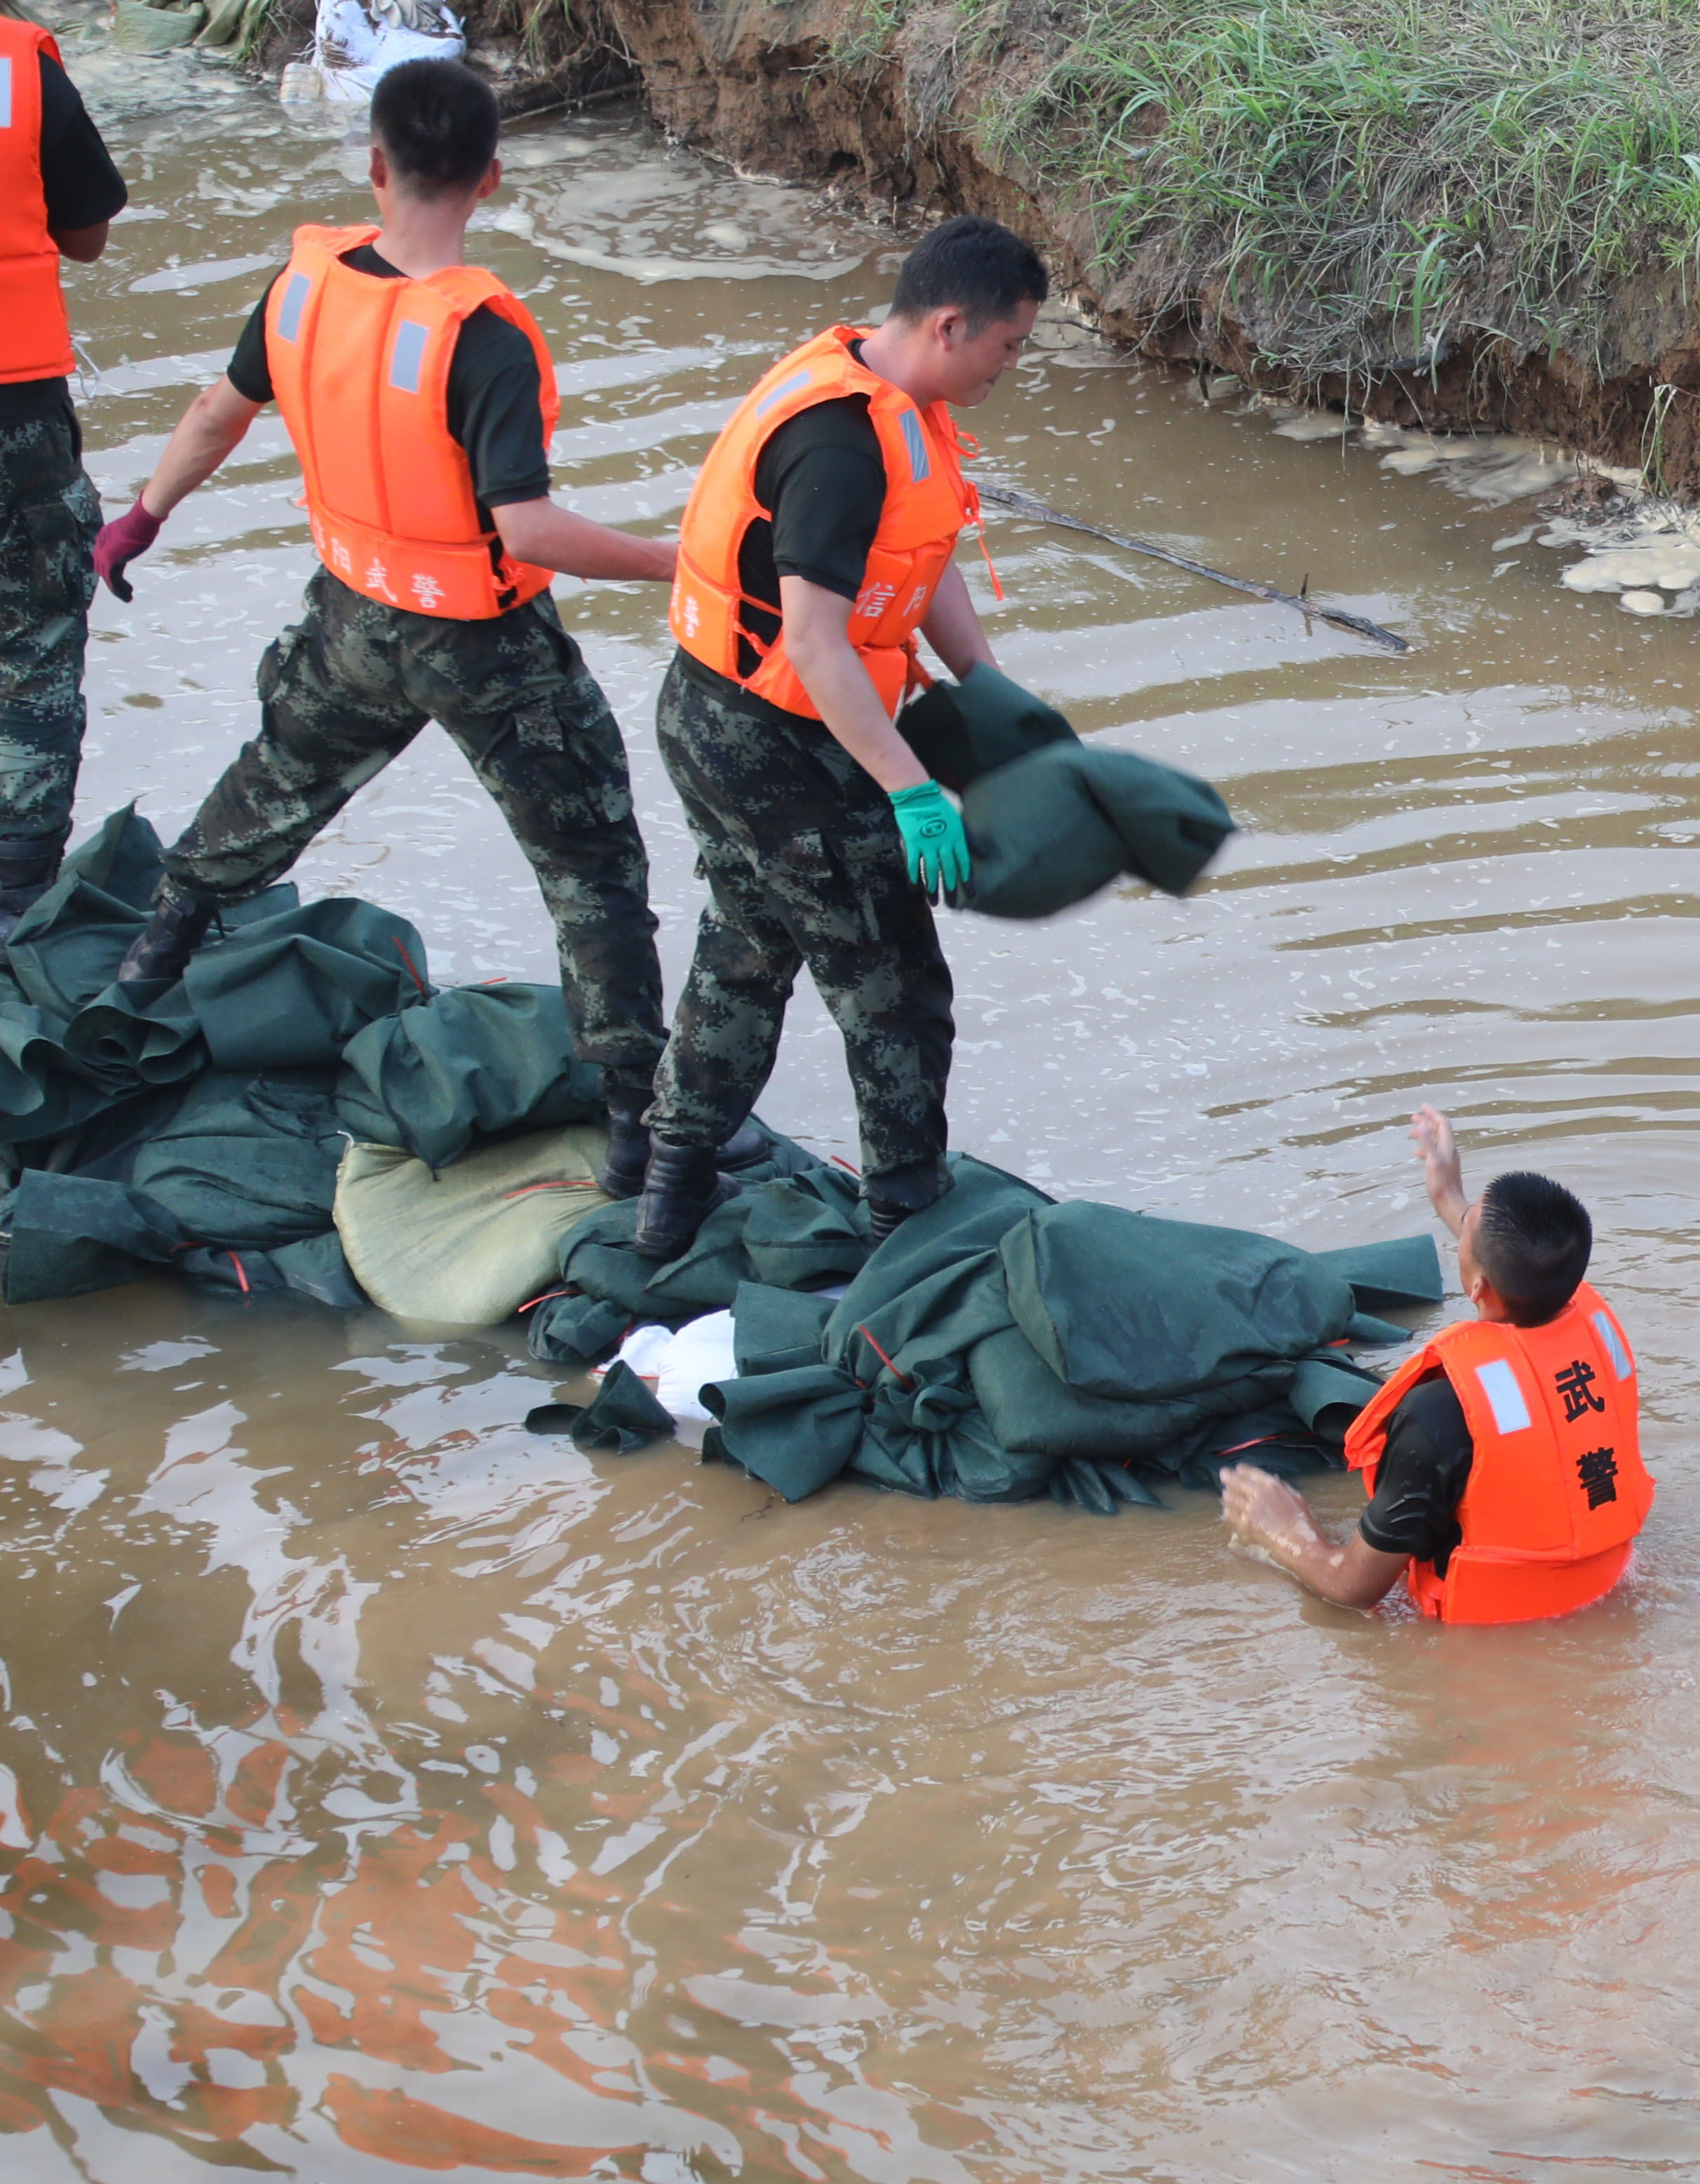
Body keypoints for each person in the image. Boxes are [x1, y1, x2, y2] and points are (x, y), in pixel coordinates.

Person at [86, 60, 673, 1168]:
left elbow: (219, 412)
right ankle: (640, 1117)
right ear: (491, 179)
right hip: (486, 647)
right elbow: (531, 534)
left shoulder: (303, 288)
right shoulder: (485, 337)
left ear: (374, 163)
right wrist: (679, 563)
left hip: (352, 614)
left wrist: (142, 517)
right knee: (593, 870)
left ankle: (145, 970)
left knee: (270, 790)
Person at [628, 215, 1048, 1263]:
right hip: (770, 739)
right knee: (895, 985)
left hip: (729, 716)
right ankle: (906, 1227)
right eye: (1010, 345)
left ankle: (666, 1188)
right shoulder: (840, 444)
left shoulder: (896, 399)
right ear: (952, 326)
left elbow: (923, 556)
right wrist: (912, 791)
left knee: (748, 944)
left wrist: (986, 686)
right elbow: (815, 644)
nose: (1014, 365)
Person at [1219, 1107, 1652, 1621]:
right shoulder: (1590, 1324)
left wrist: (1285, 1530)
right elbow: (1516, 1270)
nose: (1463, 1220)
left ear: (1477, 1287)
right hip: (1608, 1579)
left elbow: (1354, 1587)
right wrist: (1448, 1194)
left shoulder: (1440, 1413)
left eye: (1466, 1225)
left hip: (1493, 1639)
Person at [0, 13, 124, 912]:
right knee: (36, 636)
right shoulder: (20, 67)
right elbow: (86, 235)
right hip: (16, 405)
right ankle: (14, 902)